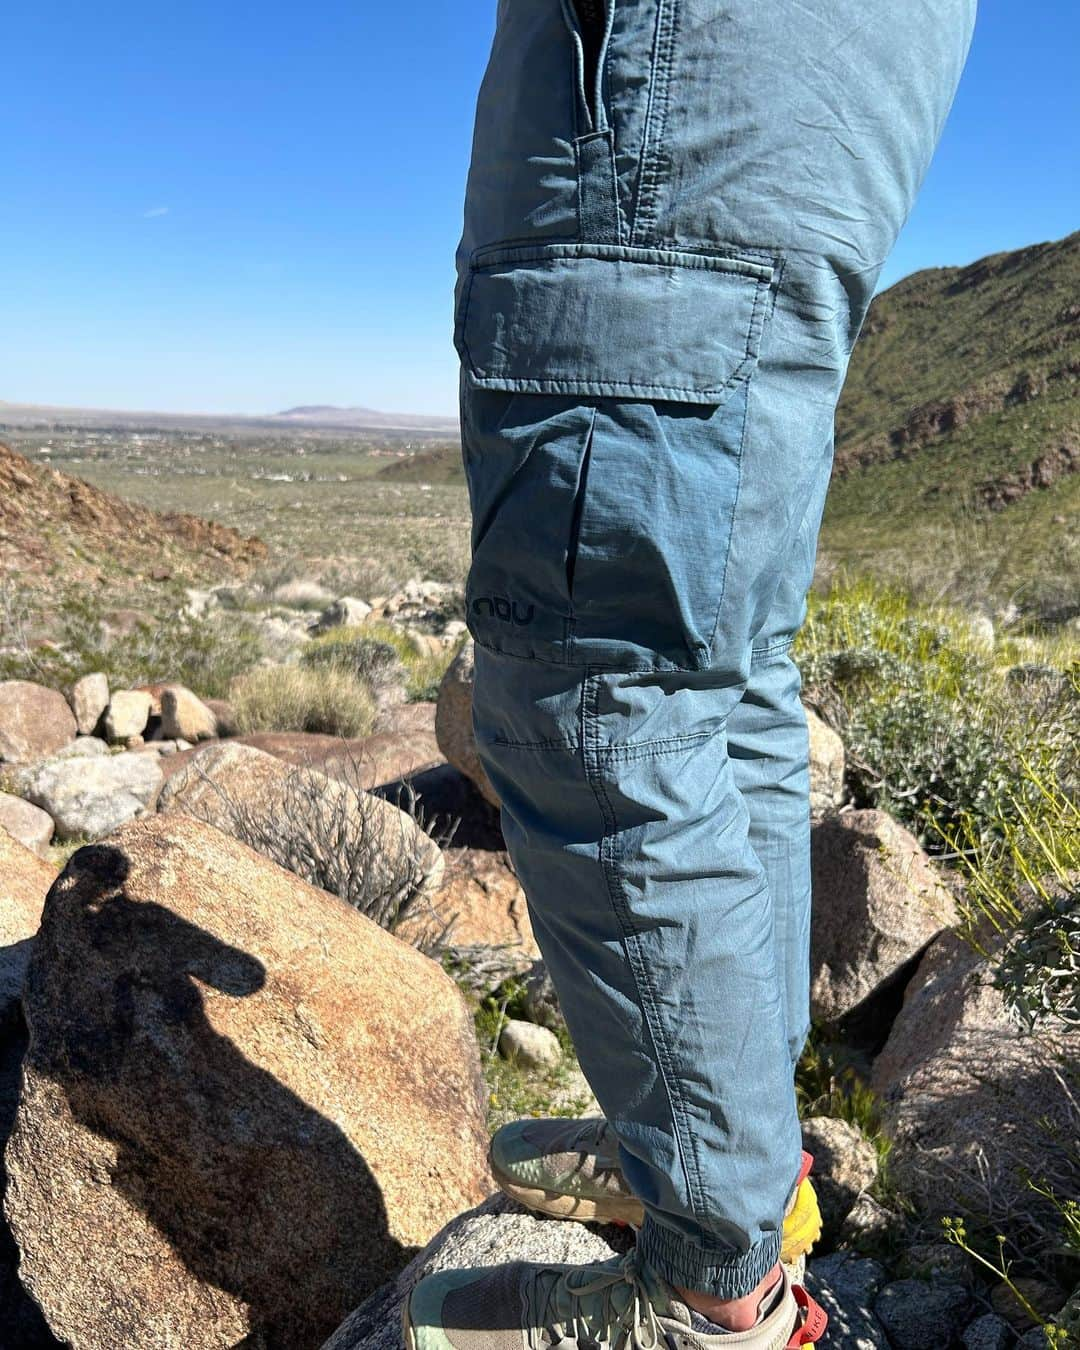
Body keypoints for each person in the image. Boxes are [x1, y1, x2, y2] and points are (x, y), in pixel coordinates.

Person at [407, 1, 976, 1344]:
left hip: (674, 56)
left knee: (596, 695)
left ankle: (711, 1292)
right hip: (806, 68)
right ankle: (734, 1160)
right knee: (718, 669)